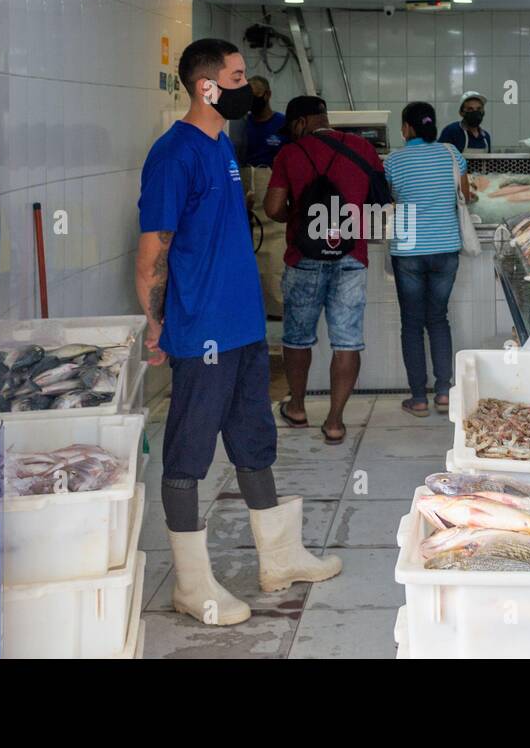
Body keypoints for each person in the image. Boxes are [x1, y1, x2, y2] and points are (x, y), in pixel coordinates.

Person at [136, 39, 340, 626]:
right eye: (237, 75)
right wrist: (157, 323)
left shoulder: (221, 143)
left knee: (254, 439)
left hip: (243, 327)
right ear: (207, 86)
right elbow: (153, 252)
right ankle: (191, 583)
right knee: (188, 454)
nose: (247, 84)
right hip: (202, 331)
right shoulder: (174, 155)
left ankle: (279, 558)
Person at [263, 95, 384, 444]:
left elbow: (272, 208)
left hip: (304, 258)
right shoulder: (363, 148)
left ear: (301, 123)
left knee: (297, 337)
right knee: (346, 340)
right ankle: (334, 422)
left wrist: (300, 220)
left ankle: (298, 407)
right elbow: (378, 205)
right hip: (351, 256)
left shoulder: (290, 153)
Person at [385, 101, 476, 417]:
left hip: (408, 251)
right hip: (445, 249)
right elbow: (464, 195)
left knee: (412, 322)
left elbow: (390, 199)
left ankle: (418, 398)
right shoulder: (452, 154)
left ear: (407, 128)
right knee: (438, 318)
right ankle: (443, 393)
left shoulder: (394, 161)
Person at [241, 75, 288, 318]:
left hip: (272, 192)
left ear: (267, 95)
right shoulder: (242, 126)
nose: (252, 100)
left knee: (273, 260)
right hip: (246, 192)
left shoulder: (282, 125)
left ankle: (277, 311)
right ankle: (251, 311)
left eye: (256, 94)